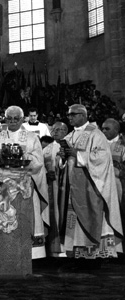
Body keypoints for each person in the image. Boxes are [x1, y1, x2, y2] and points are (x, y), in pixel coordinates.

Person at [58, 104, 123, 260]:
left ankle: (93, 256)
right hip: (73, 186)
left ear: (83, 115)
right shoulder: (70, 136)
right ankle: (76, 255)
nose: (70, 117)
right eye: (68, 115)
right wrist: (62, 156)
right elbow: (62, 162)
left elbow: (102, 158)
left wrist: (78, 155)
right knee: (72, 221)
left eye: (73, 114)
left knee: (91, 216)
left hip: (90, 185)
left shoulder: (96, 134)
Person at [0, 105, 49, 259]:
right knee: (3, 217)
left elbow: (38, 162)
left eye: (16, 118)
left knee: (25, 217)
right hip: (2, 187)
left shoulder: (31, 137)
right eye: (9, 118)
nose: (13, 121)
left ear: (22, 119)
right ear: (5, 119)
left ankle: (32, 254)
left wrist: (21, 156)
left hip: (24, 185)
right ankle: (4, 251)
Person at [43, 121, 69, 257]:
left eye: (59, 129)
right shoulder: (46, 149)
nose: (55, 132)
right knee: (53, 215)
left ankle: (66, 248)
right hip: (51, 187)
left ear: (66, 131)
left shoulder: (70, 145)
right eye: (53, 129)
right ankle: (53, 248)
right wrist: (46, 174)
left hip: (67, 188)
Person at [101, 118, 125, 231]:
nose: (104, 131)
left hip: (118, 185)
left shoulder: (123, 144)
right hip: (101, 184)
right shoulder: (99, 143)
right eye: (102, 129)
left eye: (107, 129)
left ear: (116, 129)